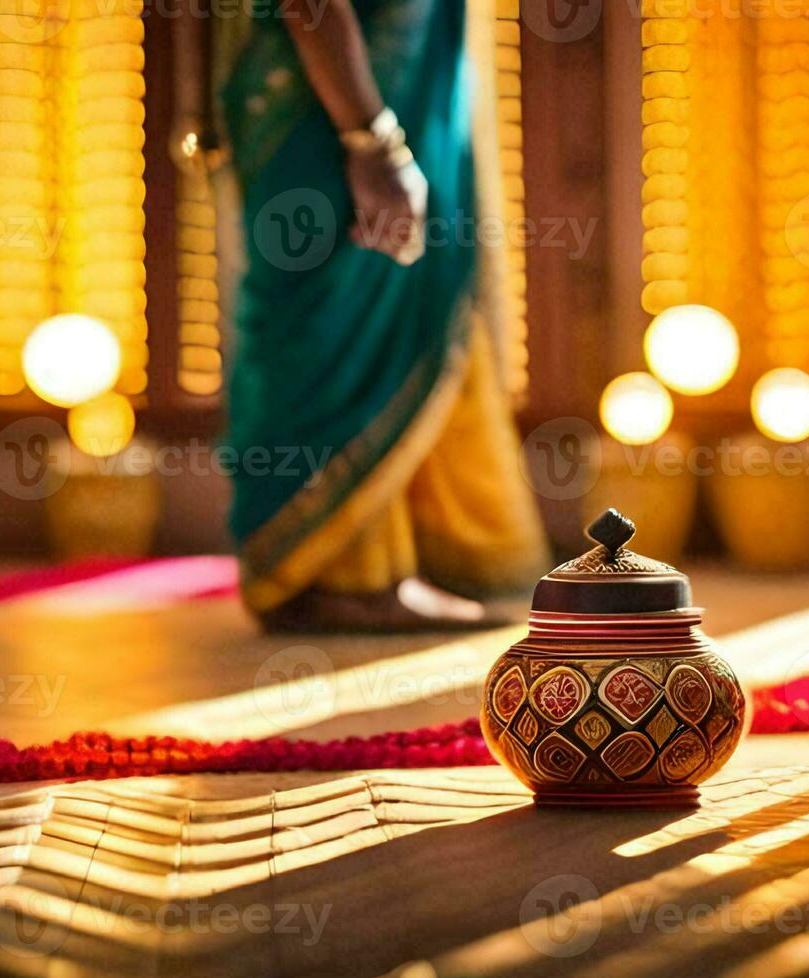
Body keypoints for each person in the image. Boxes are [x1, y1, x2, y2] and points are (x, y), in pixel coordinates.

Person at [174, 0, 548, 631]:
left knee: (387, 304)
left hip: (372, 94)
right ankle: (340, 573)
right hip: (330, 107)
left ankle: (394, 560)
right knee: (333, 311)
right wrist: (372, 140)